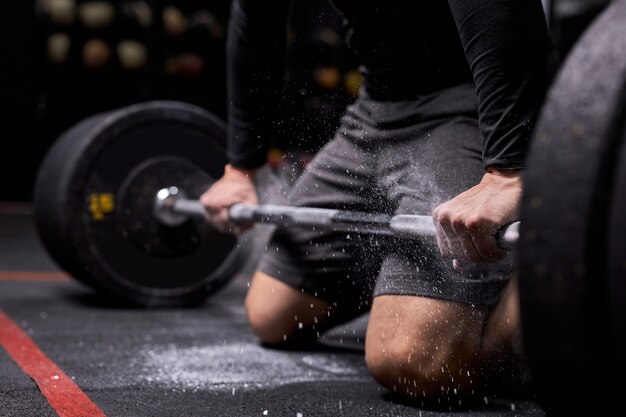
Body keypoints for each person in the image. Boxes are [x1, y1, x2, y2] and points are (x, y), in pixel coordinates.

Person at [201, 0, 553, 405]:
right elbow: (256, 19)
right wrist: (241, 169)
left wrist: (508, 169)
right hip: (377, 108)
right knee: (273, 314)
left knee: (413, 360)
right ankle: (414, 275)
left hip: (468, 103)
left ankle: (561, 269)